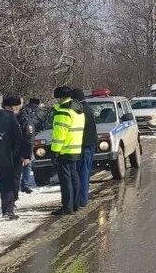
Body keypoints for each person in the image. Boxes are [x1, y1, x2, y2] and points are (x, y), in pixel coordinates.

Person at [50, 86, 84, 216]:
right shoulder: (77, 110)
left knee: (65, 180)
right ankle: (75, 204)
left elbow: (60, 134)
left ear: (60, 98)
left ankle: (67, 206)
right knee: (74, 176)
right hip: (75, 147)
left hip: (65, 149)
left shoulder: (63, 112)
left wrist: (55, 151)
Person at [71, 88, 97, 209]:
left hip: (84, 145)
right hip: (90, 144)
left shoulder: (80, 111)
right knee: (85, 172)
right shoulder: (88, 108)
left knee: (83, 173)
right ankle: (82, 198)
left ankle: (82, 199)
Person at [5, 95, 33, 198]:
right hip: (6, 152)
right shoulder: (6, 117)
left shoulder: (23, 118)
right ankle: (9, 199)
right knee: (7, 178)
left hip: (18, 153)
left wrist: (26, 155)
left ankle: (13, 198)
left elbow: (28, 138)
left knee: (15, 178)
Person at [17, 98, 44, 192]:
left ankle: (19, 184)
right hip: (39, 137)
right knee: (29, 162)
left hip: (24, 137)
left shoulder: (23, 110)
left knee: (22, 162)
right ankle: (24, 184)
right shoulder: (41, 112)